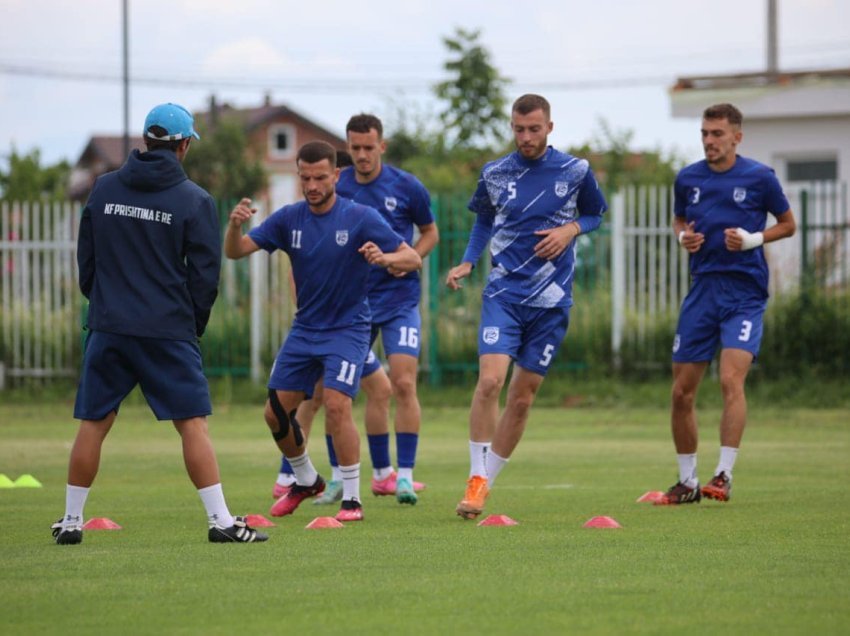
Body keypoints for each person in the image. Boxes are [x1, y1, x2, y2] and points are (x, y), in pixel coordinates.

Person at [52, 103, 267, 545]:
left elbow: (86, 261)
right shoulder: (195, 200)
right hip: (167, 329)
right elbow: (205, 278)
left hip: (109, 326)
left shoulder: (103, 188)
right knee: (192, 425)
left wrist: (106, 305)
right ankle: (221, 522)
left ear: (146, 142)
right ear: (184, 145)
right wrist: (192, 325)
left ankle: (71, 521)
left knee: (94, 422)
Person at [225, 141, 421, 522]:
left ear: (335, 176)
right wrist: (234, 228)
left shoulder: (360, 216)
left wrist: (385, 258)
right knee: (274, 413)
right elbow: (236, 252)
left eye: (319, 177)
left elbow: (411, 257)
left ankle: (352, 499)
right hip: (305, 329)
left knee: (336, 405)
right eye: (305, 178)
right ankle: (305, 479)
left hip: (348, 329)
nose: (312, 185)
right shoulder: (288, 219)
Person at [445, 94, 608, 519]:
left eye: (534, 129)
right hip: (504, 294)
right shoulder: (496, 173)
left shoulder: (575, 171)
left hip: (552, 301)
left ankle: (487, 485)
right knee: (490, 382)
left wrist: (571, 229)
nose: (526, 137)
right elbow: (483, 219)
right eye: (519, 129)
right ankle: (475, 478)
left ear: (549, 128)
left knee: (521, 398)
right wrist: (468, 260)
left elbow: (596, 214)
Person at [274, 117, 437, 507]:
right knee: (324, 393)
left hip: (397, 302)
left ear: (382, 146)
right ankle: (324, 477)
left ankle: (401, 477)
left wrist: (402, 259)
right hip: (349, 310)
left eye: (369, 147)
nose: (362, 155)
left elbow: (428, 233)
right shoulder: (333, 186)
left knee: (401, 383)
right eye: (355, 148)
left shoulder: (406, 186)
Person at [656, 103, 796, 505]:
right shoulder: (688, 178)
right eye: (704, 133)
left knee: (730, 380)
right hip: (702, 292)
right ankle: (687, 483)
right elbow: (680, 220)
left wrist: (754, 239)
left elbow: (788, 225)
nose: (709, 141)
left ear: (737, 136)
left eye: (717, 134)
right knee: (681, 392)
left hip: (744, 295)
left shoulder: (759, 177)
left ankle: (723, 475)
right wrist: (683, 238)